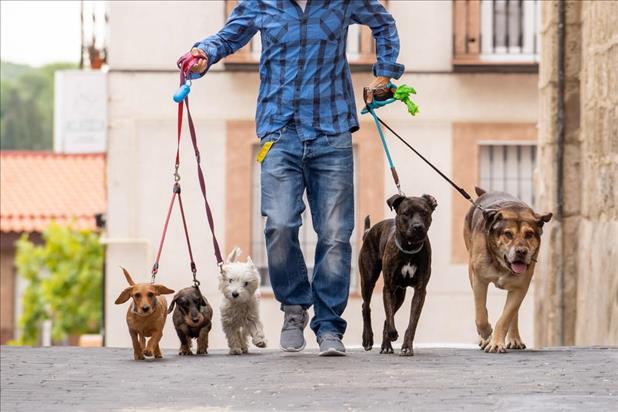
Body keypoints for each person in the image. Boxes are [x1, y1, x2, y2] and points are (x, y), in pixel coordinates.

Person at [185, 0, 404, 356]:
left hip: (331, 131)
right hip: (278, 132)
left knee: (335, 233)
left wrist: (386, 72)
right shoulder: (261, 3)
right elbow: (228, 37)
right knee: (280, 224)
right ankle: (294, 307)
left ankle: (329, 325)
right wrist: (202, 54)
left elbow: (383, 22)